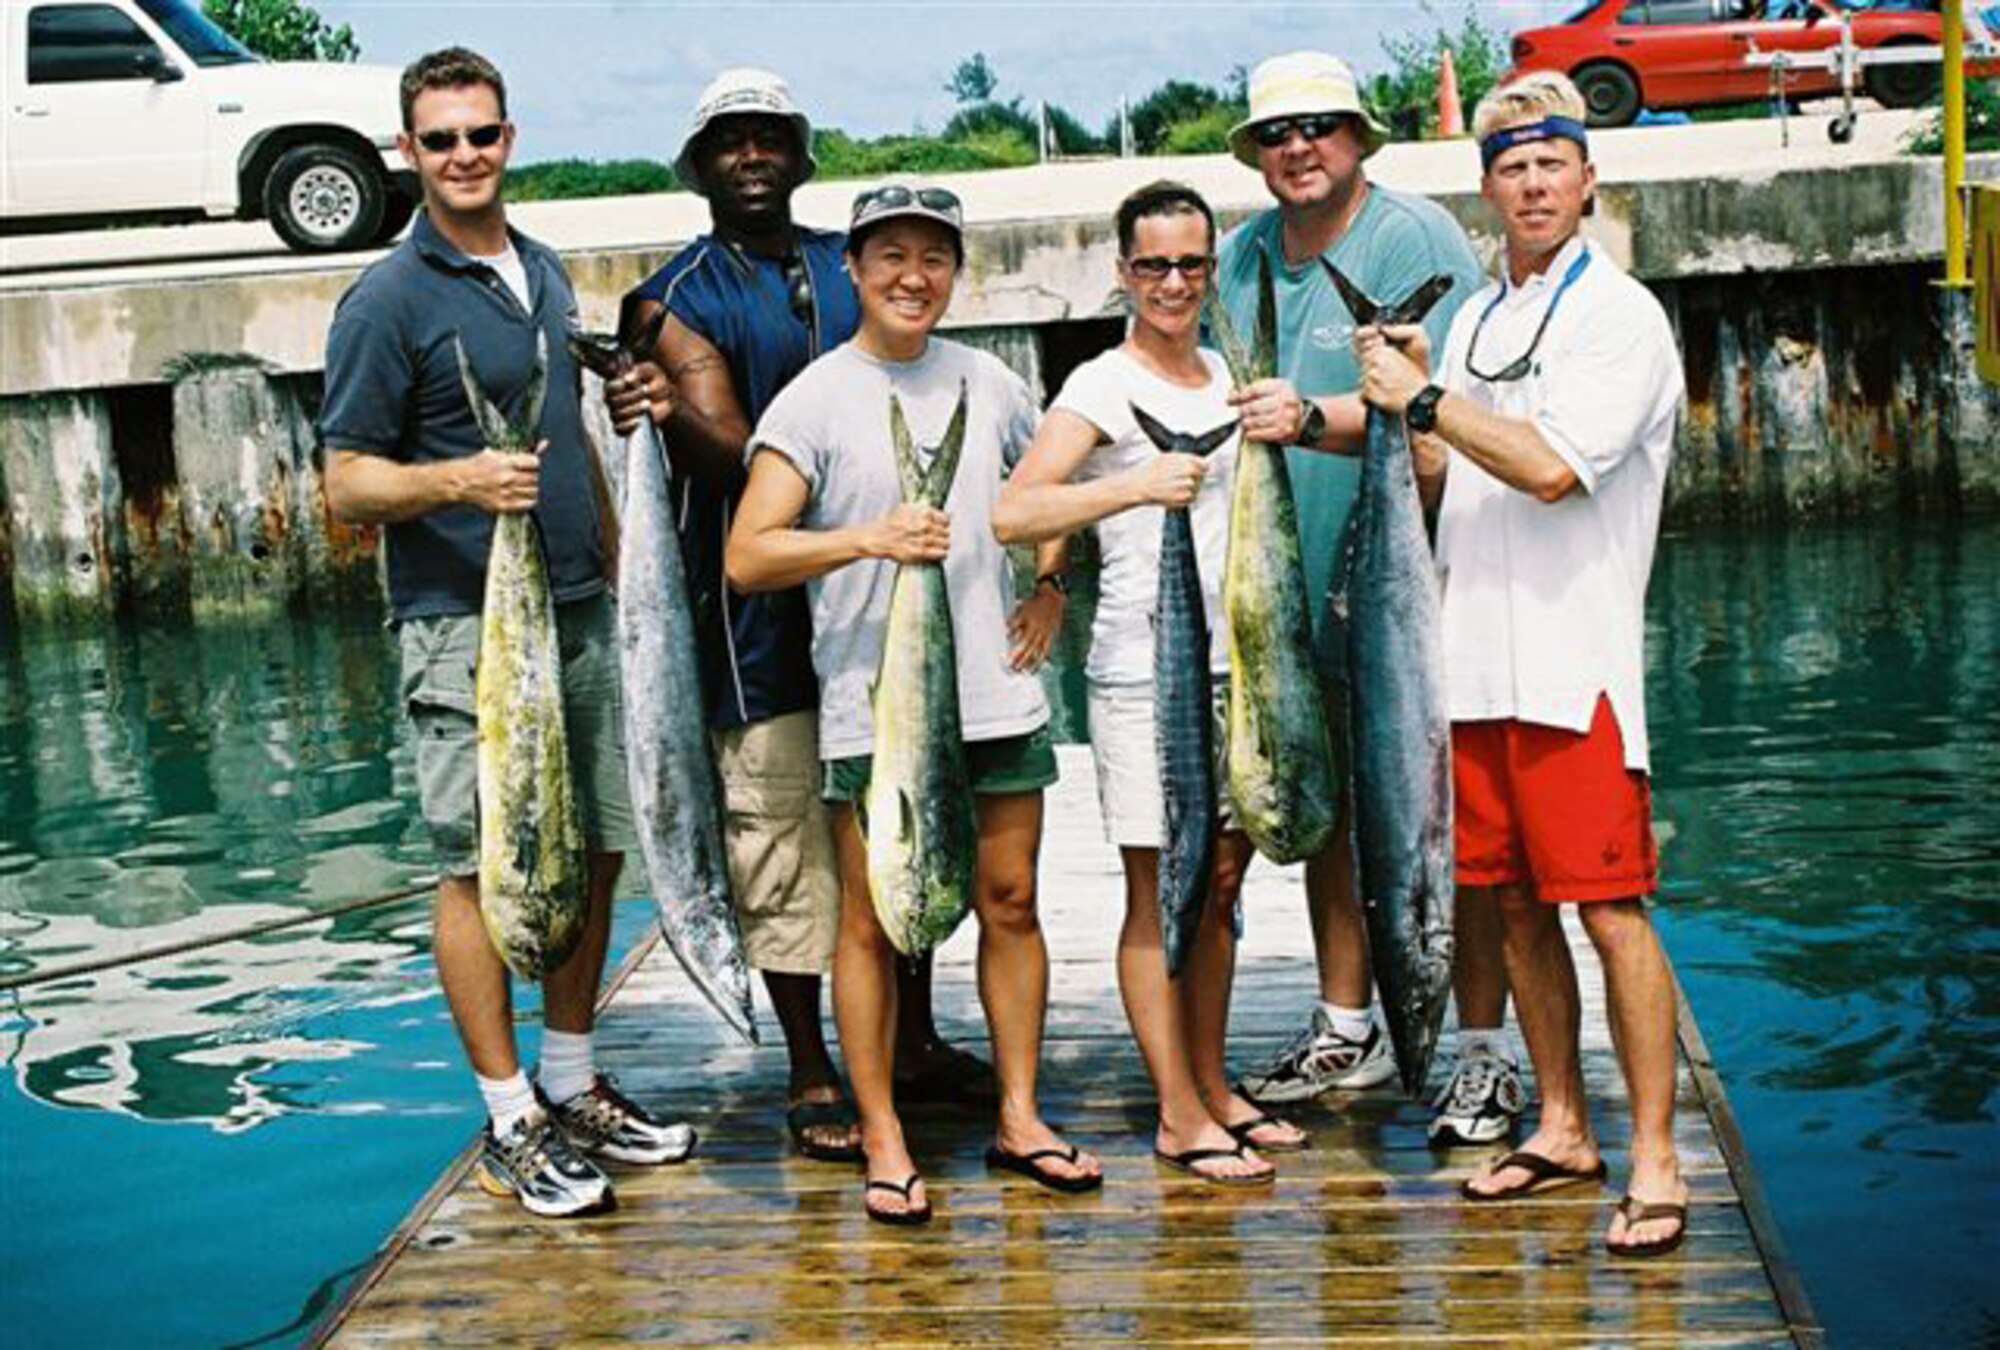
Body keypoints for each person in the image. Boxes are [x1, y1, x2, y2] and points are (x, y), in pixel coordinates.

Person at [320, 47, 691, 1219]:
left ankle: (571, 1076)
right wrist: (455, 483)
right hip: (462, 631)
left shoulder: (535, 269)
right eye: (440, 141)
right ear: (407, 153)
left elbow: (566, 432)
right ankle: (508, 1116)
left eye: (481, 135)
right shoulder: (385, 298)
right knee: (479, 870)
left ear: (509, 138)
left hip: (580, 603)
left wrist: (624, 476)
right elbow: (343, 482)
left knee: (599, 844)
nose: (464, 156)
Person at [612, 74, 995, 1145]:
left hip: (882, 606)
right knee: (777, 839)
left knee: (902, 819)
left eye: (768, 139)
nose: (749, 157)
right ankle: (811, 1066)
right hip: (757, 622)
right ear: (696, 167)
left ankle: (910, 1041)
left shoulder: (857, 259)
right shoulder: (670, 299)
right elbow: (731, 448)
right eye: (727, 143)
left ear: (800, 157)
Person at [1353, 70, 1688, 1258]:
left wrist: (1427, 397)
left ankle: (1652, 1156)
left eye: (1551, 162)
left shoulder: (1620, 317)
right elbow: (1450, 479)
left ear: (1586, 178)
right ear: (1484, 187)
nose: (1532, 182)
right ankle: (1559, 1126)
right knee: (1504, 910)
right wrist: (1399, 416)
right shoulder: (1480, 316)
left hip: (1571, 673)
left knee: (1608, 914)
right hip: (1464, 668)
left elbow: (1551, 469)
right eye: (1509, 165)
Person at [727, 183, 1098, 1223]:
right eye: (888, 255)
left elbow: (1047, 491)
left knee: (1011, 903)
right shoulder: (811, 399)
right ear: (850, 268)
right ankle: (881, 1130)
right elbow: (748, 555)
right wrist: (867, 539)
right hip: (873, 712)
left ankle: (1019, 1115)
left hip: (998, 697)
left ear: (955, 271)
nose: (910, 277)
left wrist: (1051, 582)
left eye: (932, 257)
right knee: (869, 921)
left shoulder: (992, 379)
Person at [1215, 52, 1511, 1149]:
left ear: (1355, 139)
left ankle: (1474, 1045)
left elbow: (1442, 396)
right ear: (1257, 154)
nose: (1298, 147)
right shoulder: (1241, 253)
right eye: (1278, 133)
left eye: (1319, 128)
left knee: (1434, 815)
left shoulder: (1410, 237)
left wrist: (1307, 417)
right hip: (1283, 573)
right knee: (1340, 809)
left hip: (1411, 575)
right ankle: (1349, 1021)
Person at [993, 181, 1314, 1185]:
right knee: (1158, 893)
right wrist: (1130, 485)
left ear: (1208, 269)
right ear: (1121, 273)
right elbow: (1014, 509)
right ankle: (1176, 1111)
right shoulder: (1097, 383)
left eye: (1189, 264)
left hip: (1242, 670)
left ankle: (1212, 1083)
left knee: (1219, 887)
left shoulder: (1225, 373)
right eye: (1152, 266)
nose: (1172, 283)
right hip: (1142, 673)